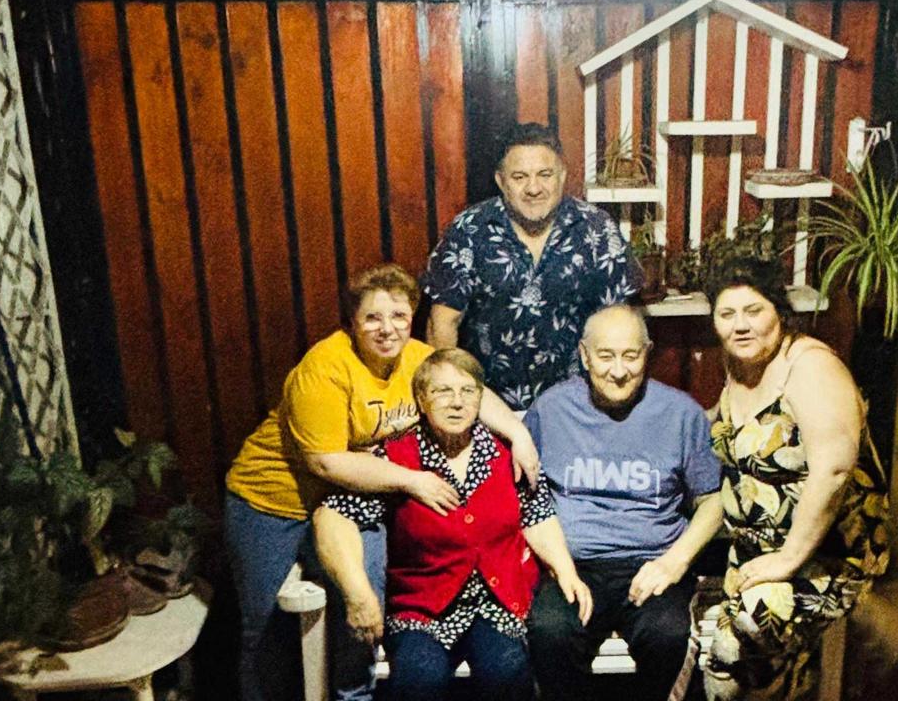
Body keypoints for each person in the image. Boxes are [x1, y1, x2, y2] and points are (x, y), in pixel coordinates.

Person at [222, 264, 538, 701]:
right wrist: (412, 480)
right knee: (265, 630)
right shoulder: (325, 368)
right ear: (352, 321)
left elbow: (468, 391)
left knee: (365, 597)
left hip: (352, 500)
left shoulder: (416, 358)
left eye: (399, 316)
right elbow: (326, 463)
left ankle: (354, 696)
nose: (387, 329)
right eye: (372, 317)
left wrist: (519, 434)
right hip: (272, 502)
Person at [313, 348, 591, 701]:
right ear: (421, 400)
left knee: (506, 673)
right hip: (421, 607)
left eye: (467, 391)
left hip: (496, 602)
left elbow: (536, 513)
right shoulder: (397, 457)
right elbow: (332, 515)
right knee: (419, 680)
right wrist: (358, 592)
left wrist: (565, 570)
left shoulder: (506, 453)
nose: (457, 402)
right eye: (442, 391)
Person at [701, 256, 890, 701]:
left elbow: (834, 469)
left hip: (825, 556)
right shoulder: (739, 364)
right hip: (757, 552)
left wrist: (787, 559)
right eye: (727, 314)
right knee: (760, 679)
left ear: (779, 312)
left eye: (754, 311)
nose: (740, 325)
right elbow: (740, 433)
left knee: (731, 651)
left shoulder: (810, 367)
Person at [524, 304, 723, 701]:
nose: (618, 370)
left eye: (630, 356)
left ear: (647, 354)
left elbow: (713, 500)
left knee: (667, 635)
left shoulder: (680, 413)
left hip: (652, 563)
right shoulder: (551, 409)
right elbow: (526, 500)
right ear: (584, 356)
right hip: (574, 566)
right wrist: (562, 568)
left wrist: (674, 562)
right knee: (549, 631)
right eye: (605, 356)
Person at [422, 122, 641, 410]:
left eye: (545, 175)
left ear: (562, 176)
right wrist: (453, 404)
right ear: (501, 181)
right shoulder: (469, 231)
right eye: (519, 177)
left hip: (578, 405)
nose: (533, 188)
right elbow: (442, 324)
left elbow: (621, 323)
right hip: (488, 406)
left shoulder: (598, 230)